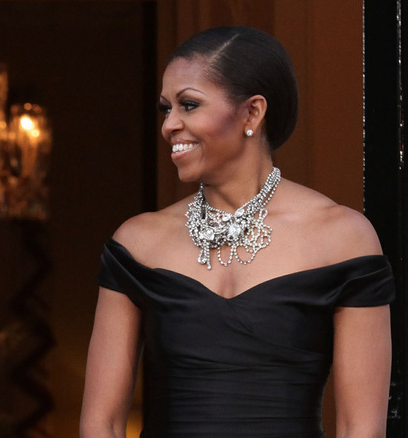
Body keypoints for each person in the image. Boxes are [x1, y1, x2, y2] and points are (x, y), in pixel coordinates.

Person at [80, 26, 394, 438]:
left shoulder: (342, 238)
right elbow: (101, 424)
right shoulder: (137, 244)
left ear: (252, 113)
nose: (169, 125)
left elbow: (361, 429)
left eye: (188, 105)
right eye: (166, 108)